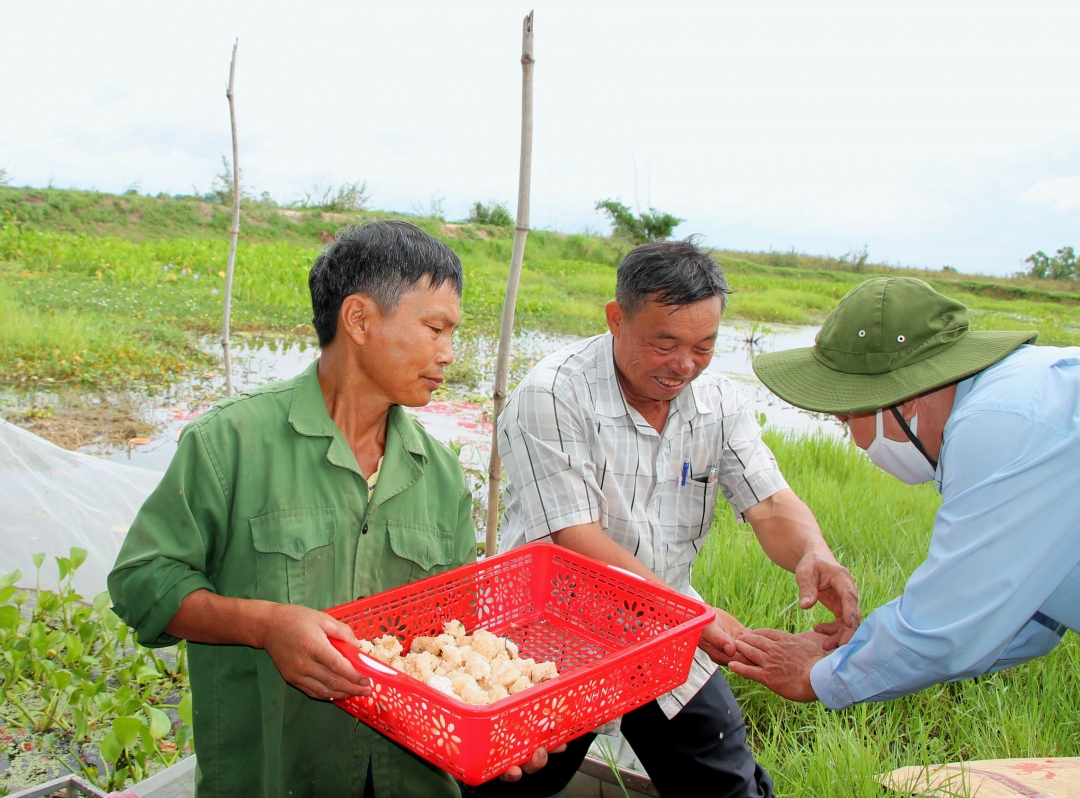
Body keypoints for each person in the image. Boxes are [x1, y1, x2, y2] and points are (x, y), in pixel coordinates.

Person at [109, 221, 556, 798]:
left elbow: (453, 640)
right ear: (360, 319)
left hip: (409, 777)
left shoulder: (440, 475)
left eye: (452, 333)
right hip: (274, 774)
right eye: (435, 328)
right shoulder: (230, 443)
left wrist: (502, 712)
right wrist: (266, 626)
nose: (448, 353)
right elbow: (142, 582)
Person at [471, 239, 862, 798]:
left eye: (704, 345)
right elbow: (576, 539)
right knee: (516, 784)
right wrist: (691, 620)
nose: (685, 365)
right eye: (665, 343)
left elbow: (771, 505)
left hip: (666, 637)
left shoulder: (719, 403)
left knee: (727, 785)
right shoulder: (552, 393)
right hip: (550, 635)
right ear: (616, 319)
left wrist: (813, 554)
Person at [729, 276, 1080, 710]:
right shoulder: (1021, 392)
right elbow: (1020, 620)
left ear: (905, 400)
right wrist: (858, 655)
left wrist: (818, 675)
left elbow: (949, 622)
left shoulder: (999, 427)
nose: (851, 439)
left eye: (845, 419)